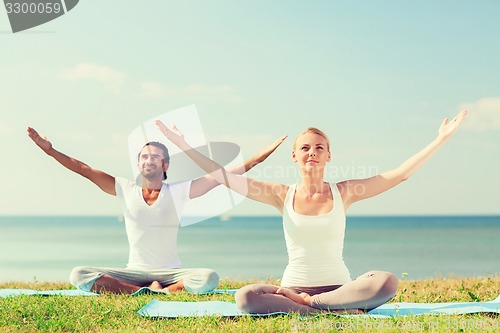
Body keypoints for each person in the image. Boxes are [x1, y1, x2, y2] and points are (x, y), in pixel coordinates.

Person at [155, 110, 468, 313]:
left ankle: (314, 305)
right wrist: (183, 145)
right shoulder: (280, 194)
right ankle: (327, 307)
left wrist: (439, 140)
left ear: (328, 155)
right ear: (294, 155)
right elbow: (224, 176)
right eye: (305, 147)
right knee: (245, 298)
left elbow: (399, 174)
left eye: (319, 147)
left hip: (340, 288)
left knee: (386, 281)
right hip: (291, 289)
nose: (312, 152)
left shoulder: (344, 192)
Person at [27, 126, 286, 295]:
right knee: (78, 274)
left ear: (165, 165)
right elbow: (82, 168)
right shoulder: (124, 188)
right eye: (143, 157)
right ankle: (140, 291)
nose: (148, 160)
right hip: (133, 270)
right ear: (138, 164)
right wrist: (51, 152)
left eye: (154, 157)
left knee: (209, 277)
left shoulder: (179, 192)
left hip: (171, 271)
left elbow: (225, 176)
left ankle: (167, 289)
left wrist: (261, 155)